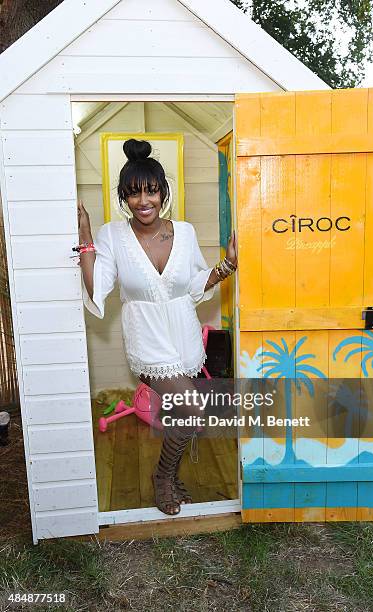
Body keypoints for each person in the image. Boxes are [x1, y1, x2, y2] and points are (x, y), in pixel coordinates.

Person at [77, 138, 238, 515]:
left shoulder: (183, 231)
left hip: (183, 337)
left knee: (183, 414)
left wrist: (228, 265)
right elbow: (96, 286)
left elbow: (197, 283)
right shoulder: (112, 236)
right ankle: (163, 477)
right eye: (134, 193)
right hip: (147, 341)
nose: (143, 200)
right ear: (124, 197)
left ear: (164, 192)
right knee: (194, 411)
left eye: (151, 190)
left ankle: (171, 474)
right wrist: (85, 236)